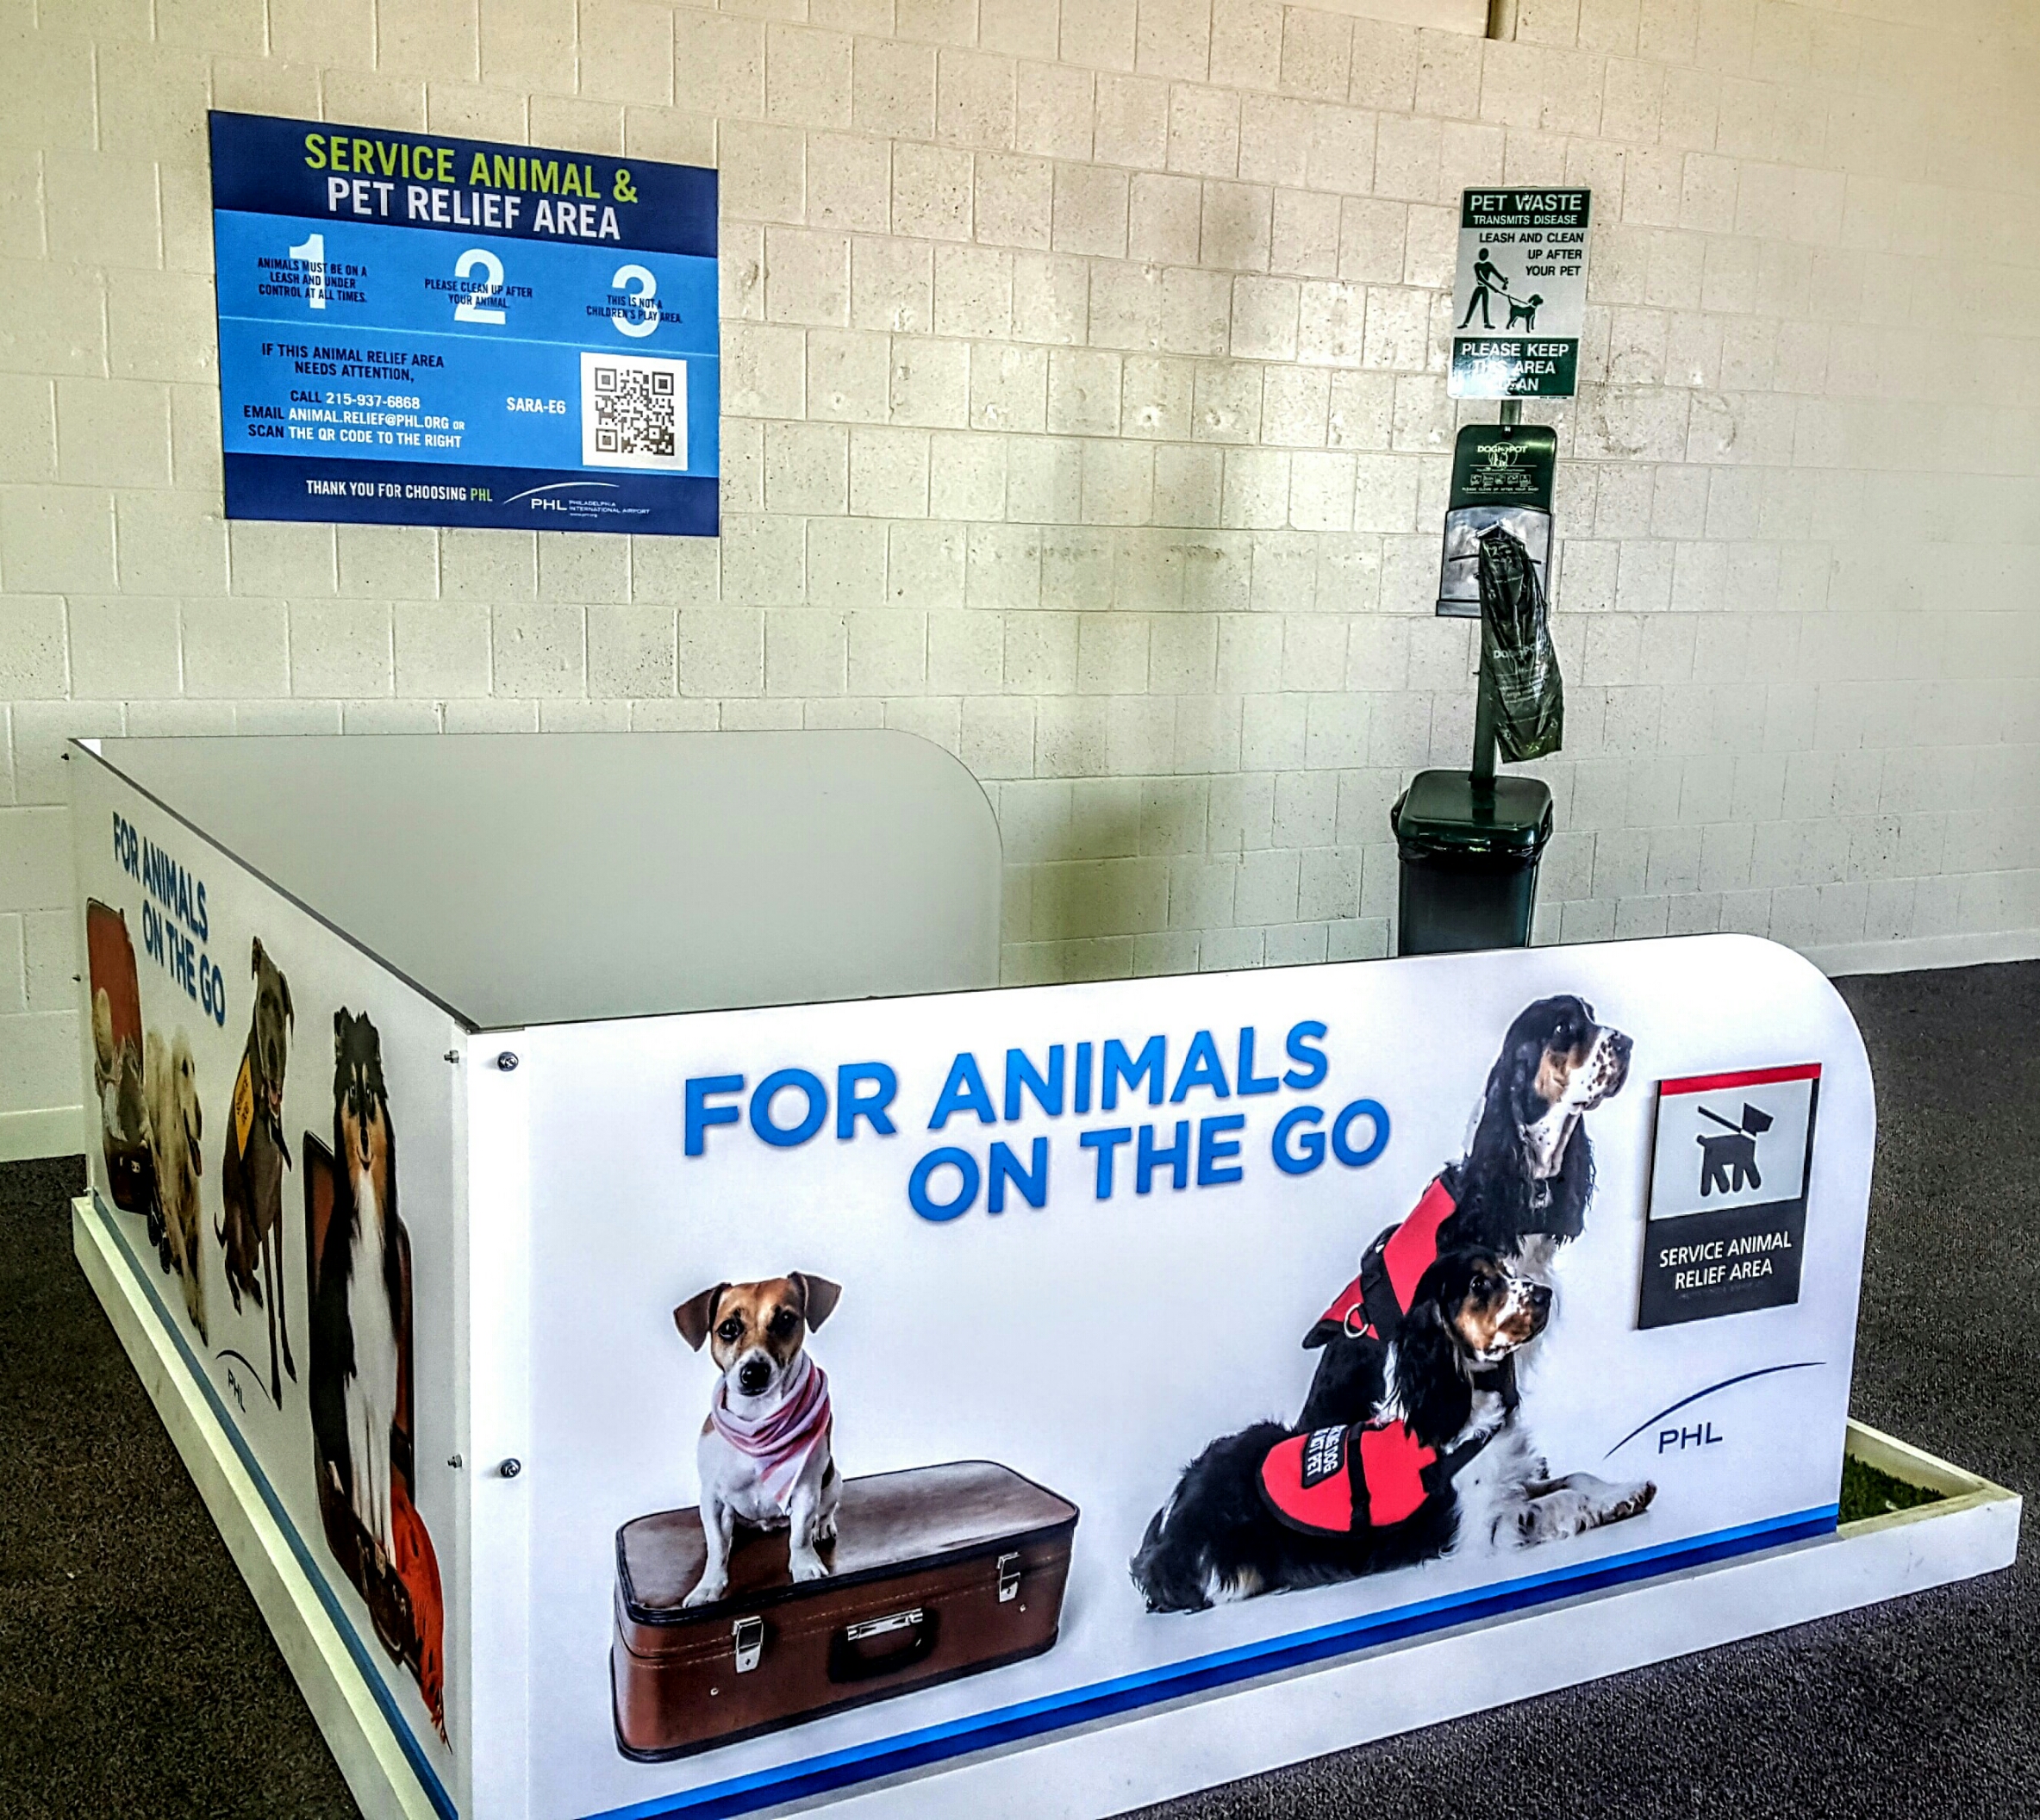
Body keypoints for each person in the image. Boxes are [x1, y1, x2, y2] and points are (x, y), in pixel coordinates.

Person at [1458, 245, 1509, 331]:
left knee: (1485, 306)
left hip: (1485, 289)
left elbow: (1496, 274)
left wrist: (1504, 280)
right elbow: (1481, 279)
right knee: (1472, 305)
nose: (1482, 256)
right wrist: (1493, 288)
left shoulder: (1489, 265)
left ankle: (1486, 323)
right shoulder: (1477, 265)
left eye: (1484, 254)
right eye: (1481, 254)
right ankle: (1465, 323)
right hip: (1479, 288)